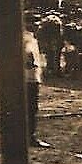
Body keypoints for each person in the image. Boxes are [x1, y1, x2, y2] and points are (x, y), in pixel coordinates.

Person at [23, 17, 50, 148]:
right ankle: (30, 137)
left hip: (28, 78)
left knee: (28, 109)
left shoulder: (28, 37)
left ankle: (26, 136)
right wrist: (30, 62)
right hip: (30, 79)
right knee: (31, 109)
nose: (37, 27)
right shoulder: (28, 39)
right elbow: (28, 53)